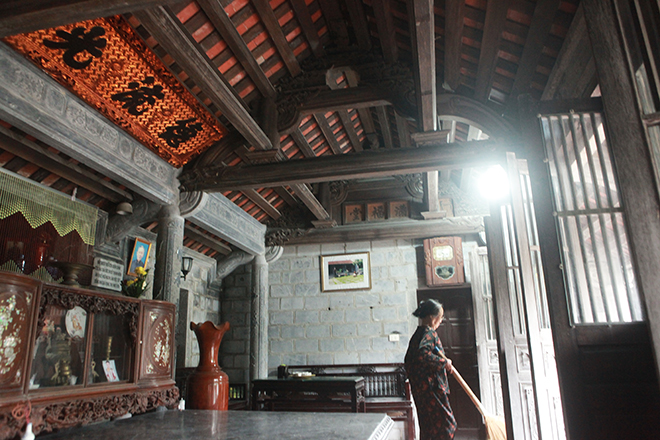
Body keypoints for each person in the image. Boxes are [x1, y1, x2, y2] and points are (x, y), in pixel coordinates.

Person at [405, 299, 457, 440]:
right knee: (447, 424)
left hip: (421, 390)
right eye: (439, 318)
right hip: (431, 389)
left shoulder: (417, 335)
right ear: (432, 318)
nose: (440, 322)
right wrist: (444, 362)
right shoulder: (429, 333)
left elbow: (409, 361)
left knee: (429, 426)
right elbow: (422, 355)